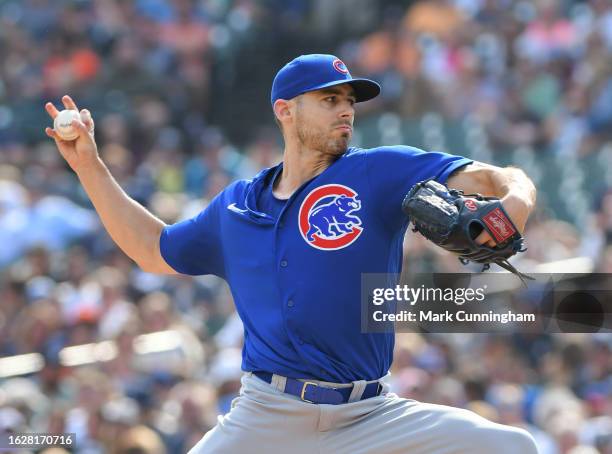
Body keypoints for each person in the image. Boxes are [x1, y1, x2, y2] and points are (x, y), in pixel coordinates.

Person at [45, 54, 538, 453]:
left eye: (349, 100)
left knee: (511, 447)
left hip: (371, 416)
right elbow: (152, 249)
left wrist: (514, 203)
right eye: (329, 99)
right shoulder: (235, 206)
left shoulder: (380, 171)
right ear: (285, 110)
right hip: (267, 416)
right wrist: (89, 165)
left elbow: (499, 178)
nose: (346, 110)